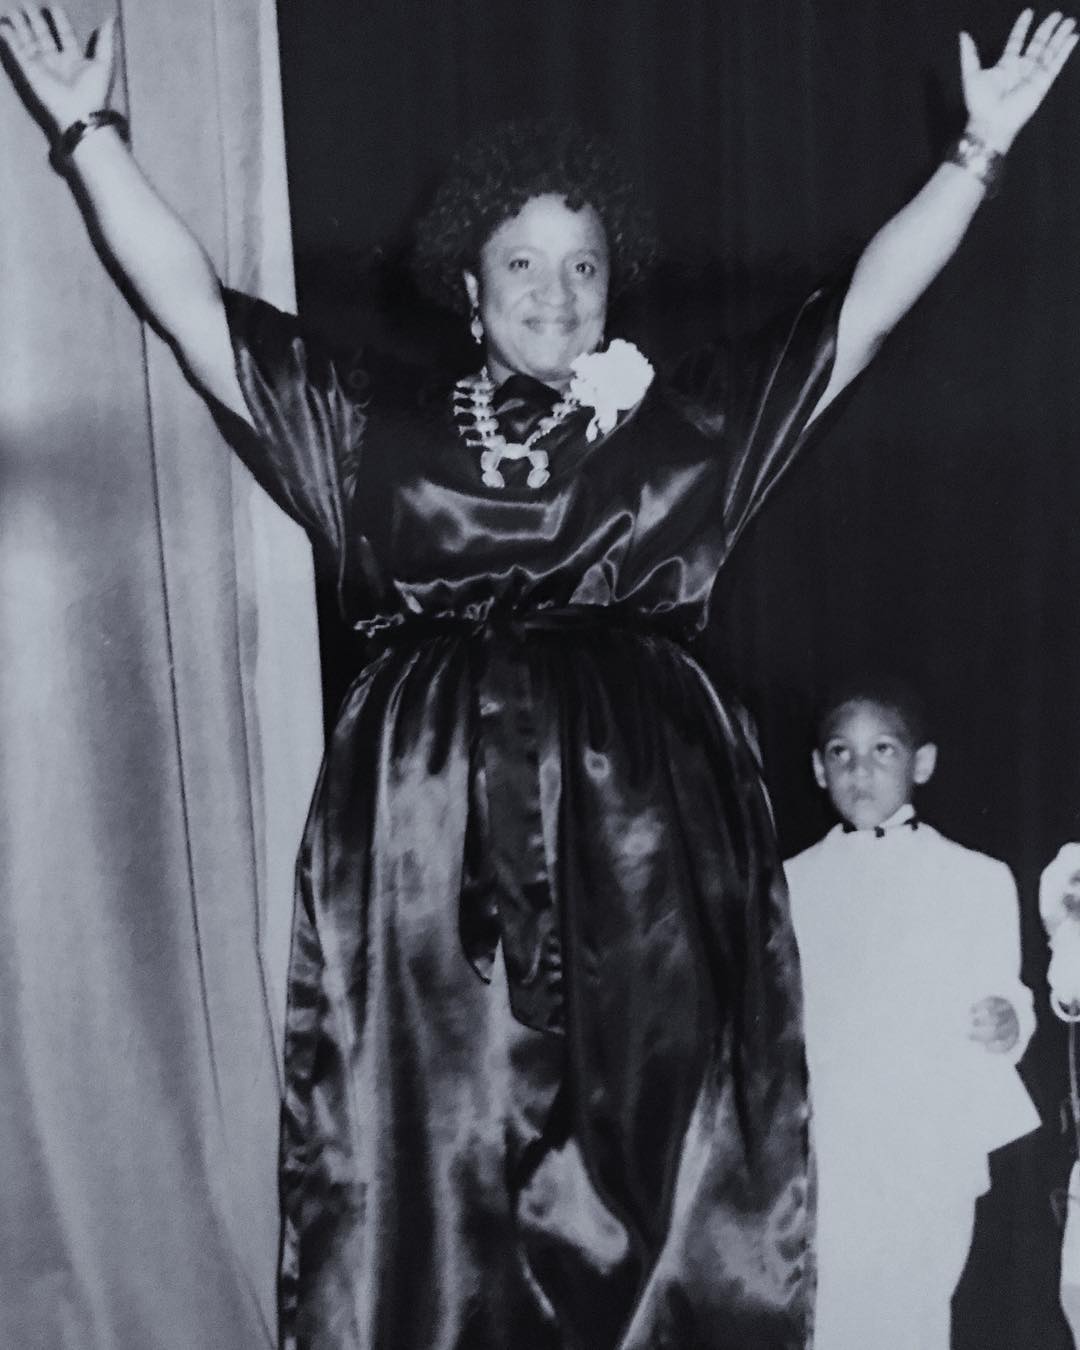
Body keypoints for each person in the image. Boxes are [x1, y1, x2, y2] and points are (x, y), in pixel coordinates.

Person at [0, 6, 1074, 1348]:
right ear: (470, 285)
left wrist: (977, 153)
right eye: (522, 262)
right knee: (436, 1166)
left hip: (649, 845)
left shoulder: (685, 428)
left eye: (583, 266)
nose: (554, 294)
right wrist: (89, 133)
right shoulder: (371, 430)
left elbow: (854, 320)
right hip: (427, 841)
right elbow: (197, 317)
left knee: (659, 1171)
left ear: (613, 283)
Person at [784, 678, 1039, 1350]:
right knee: (831, 1301)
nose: (860, 769)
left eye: (883, 750)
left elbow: (1007, 990)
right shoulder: (790, 883)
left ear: (921, 763)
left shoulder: (977, 877)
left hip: (929, 1134)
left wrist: (1009, 1022)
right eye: (840, 752)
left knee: (916, 1304)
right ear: (818, 769)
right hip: (834, 1137)